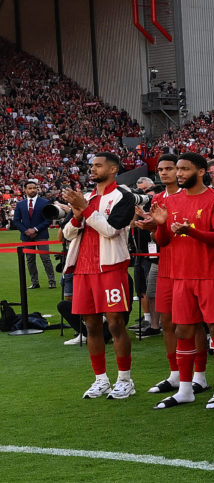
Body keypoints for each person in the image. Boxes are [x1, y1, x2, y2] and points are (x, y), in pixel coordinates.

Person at [149, 153, 214, 409]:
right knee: (183, 331)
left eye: (184, 169)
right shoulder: (171, 201)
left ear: (200, 171)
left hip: (211, 276)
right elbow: (163, 242)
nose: (179, 174)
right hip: (181, 277)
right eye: (178, 169)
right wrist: (161, 226)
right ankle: (185, 389)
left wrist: (191, 231)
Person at [63, 152, 137, 400]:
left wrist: (84, 210)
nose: (92, 169)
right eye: (91, 165)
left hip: (110, 267)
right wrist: (76, 215)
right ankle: (100, 379)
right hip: (83, 269)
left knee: (116, 324)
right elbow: (68, 234)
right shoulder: (86, 196)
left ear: (113, 168)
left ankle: (125, 380)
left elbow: (110, 230)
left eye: (98, 165)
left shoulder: (123, 197)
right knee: (91, 325)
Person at [140, 155, 186, 400]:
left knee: (190, 323)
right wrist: (152, 226)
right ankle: (175, 373)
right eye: (162, 169)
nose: (166, 173)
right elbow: (161, 234)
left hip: (188, 265)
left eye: (170, 168)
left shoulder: (189, 194)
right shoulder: (158, 198)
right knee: (167, 321)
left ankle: (197, 375)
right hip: (165, 263)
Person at [14, 179, 57, 288]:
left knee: (45, 259)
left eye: (34, 188)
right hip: (26, 236)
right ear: (25, 190)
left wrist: (35, 229)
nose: (32, 190)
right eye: (30, 188)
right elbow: (16, 220)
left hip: (41, 235)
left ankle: (52, 281)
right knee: (30, 260)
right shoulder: (20, 204)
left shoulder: (44, 202)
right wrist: (26, 231)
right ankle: (35, 282)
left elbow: (48, 219)